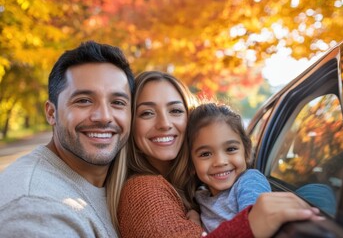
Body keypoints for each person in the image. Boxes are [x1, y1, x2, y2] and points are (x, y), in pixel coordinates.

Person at [116, 71, 322, 238]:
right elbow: (255, 216)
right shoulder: (143, 190)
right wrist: (250, 223)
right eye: (147, 113)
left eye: (176, 111)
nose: (164, 124)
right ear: (131, 123)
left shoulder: (197, 188)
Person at [0, 41, 135, 237]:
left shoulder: (120, 182)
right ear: (51, 112)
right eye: (84, 101)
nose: (104, 116)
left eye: (118, 102)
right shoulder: (36, 211)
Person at [187, 102, 271, 233]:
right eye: (205, 154)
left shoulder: (250, 182)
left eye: (231, 149)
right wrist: (195, 220)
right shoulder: (201, 197)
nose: (220, 162)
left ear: (246, 152)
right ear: (191, 165)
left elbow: (255, 223)